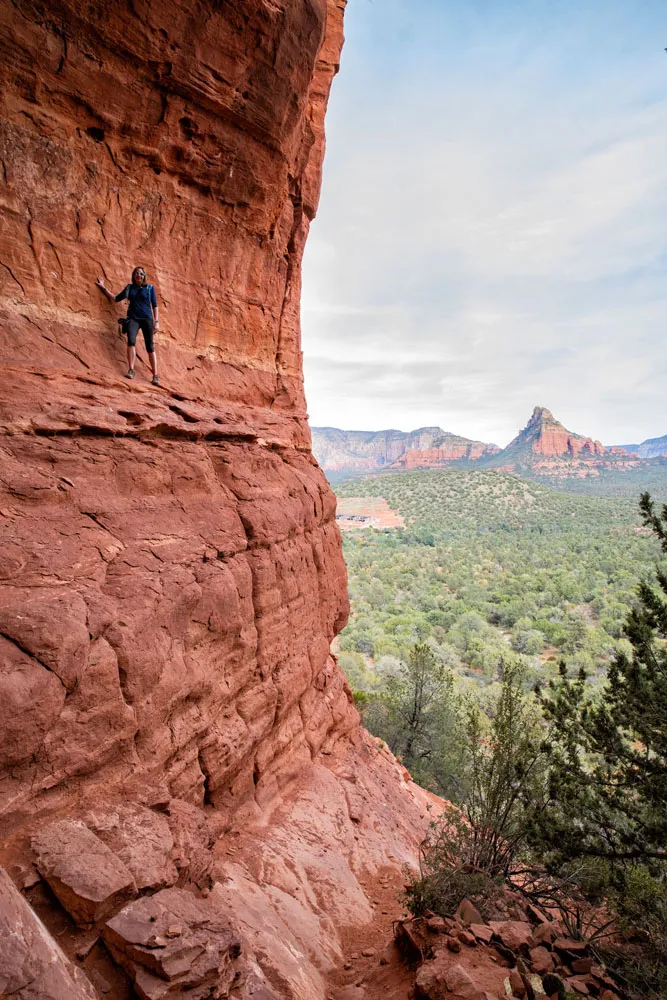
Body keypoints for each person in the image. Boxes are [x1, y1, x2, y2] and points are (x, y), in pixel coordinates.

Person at [96, 267, 160, 385]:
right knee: (131, 341)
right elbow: (116, 298)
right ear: (133, 276)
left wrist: (156, 321)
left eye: (141, 273)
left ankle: (155, 375)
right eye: (136, 273)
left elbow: (155, 305)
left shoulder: (150, 288)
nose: (139, 275)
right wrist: (103, 287)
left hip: (147, 319)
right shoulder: (129, 288)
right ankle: (131, 370)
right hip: (133, 318)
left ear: (144, 276)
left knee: (150, 347)